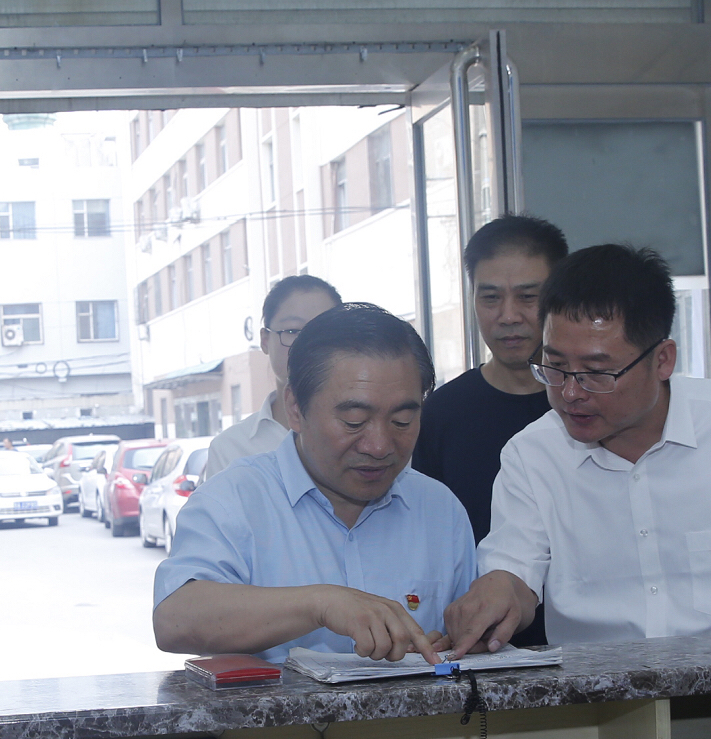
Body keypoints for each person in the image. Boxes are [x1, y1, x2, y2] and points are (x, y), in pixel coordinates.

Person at [444, 244, 711, 656]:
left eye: (597, 372)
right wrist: (497, 593)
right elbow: (516, 573)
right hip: (602, 700)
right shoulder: (531, 455)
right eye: (555, 367)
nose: (570, 392)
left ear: (662, 360)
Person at [154, 303, 476, 664]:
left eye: (402, 421)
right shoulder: (233, 501)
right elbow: (174, 620)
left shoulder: (439, 509)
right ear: (296, 408)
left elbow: (465, 637)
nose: (379, 446)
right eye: (354, 421)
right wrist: (320, 604)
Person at [412, 214, 567, 647]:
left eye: (528, 297)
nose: (508, 316)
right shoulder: (440, 414)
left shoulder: (589, 405)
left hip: (587, 645)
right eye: (490, 297)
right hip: (482, 649)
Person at [202, 274, 342, 480]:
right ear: (265, 340)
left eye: (324, 331)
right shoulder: (230, 449)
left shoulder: (369, 438)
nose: (308, 344)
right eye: (293, 331)